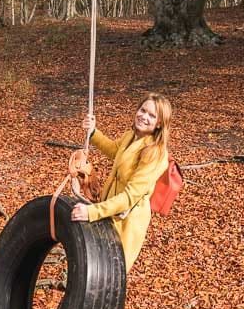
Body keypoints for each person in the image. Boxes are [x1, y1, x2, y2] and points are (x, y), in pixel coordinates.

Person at [70, 93, 171, 271]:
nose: (144, 116)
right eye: (143, 110)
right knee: (96, 266)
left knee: (112, 273)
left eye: (152, 115)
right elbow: (115, 151)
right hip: (108, 211)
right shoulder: (131, 137)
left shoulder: (155, 154)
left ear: (159, 124)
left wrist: (92, 212)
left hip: (127, 221)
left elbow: (130, 197)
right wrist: (93, 132)